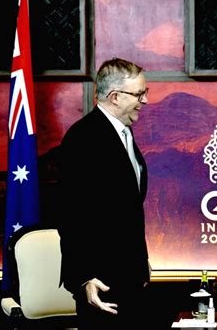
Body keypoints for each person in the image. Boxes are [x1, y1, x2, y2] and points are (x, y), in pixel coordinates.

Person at [57, 57, 151, 328]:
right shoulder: (83, 138)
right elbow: (70, 216)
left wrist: (140, 260)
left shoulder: (124, 133)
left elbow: (129, 208)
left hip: (129, 276)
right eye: (139, 94)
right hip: (101, 283)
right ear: (115, 97)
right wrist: (83, 278)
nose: (145, 100)